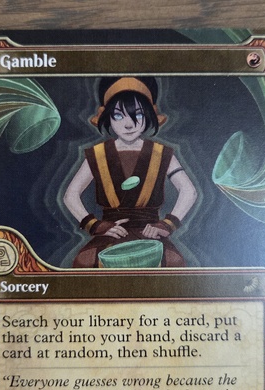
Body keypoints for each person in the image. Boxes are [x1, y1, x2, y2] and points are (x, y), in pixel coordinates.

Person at [64, 76, 197, 268]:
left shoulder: (161, 153)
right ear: (107, 117)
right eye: (119, 116)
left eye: (139, 115)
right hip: (109, 233)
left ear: (149, 115)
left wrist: (166, 225)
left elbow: (189, 191)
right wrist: (95, 225)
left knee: (173, 262)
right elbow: (70, 195)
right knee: (85, 262)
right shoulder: (97, 154)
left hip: (151, 234)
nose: (129, 124)